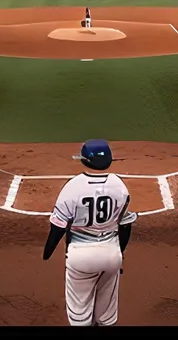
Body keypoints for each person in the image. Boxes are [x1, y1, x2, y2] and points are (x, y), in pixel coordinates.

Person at [43, 140, 136, 327]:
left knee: (79, 312)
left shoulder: (72, 187)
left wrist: (48, 252)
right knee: (107, 312)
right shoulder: (120, 186)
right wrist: (120, 253)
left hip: (81, 255)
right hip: (111, 253)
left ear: (84, 161)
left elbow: (58, 227)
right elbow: (125, 225)